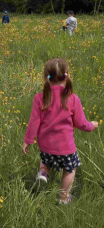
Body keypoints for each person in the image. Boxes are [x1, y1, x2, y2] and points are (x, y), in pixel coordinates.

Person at [22, 58, 98, 204]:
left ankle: (43, 174)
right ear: (67, 75)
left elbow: (33, 123)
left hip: (46, 147)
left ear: (45, 78)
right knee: (69, 170)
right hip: (66, 149)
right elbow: (81, 123)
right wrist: (92, 125)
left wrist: (28, 141)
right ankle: (63, 198)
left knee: (46, 163)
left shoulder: (40, 98)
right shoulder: (73, 99)